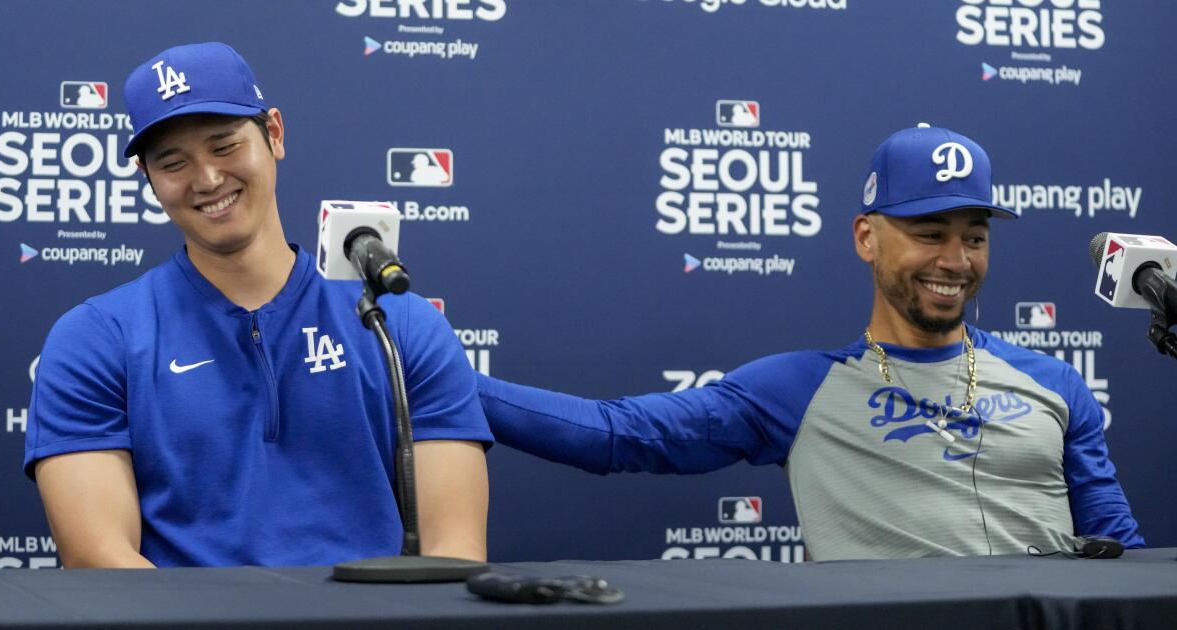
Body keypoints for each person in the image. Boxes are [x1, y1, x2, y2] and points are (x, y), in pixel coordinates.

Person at [477, 124, 1144, 561]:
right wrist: (444, 382)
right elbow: (617, 435)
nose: (955, 258)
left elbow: (1117, 545)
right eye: (929, 232)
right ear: (866, 238)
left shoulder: (1055, 384)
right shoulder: (797, 390)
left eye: (974, 236)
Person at [24, 42, 492, 568]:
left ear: (274, 133)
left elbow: (454, 555)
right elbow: (100, 561)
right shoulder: (93, 338)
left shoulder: (398, 324)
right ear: (149, 182)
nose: (206, 179)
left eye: (224, 146)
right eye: (173, 162)